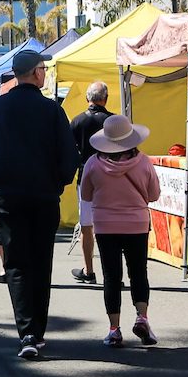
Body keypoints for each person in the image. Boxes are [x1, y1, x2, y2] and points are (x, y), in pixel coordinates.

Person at [0, 48, 79, 360]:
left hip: (7, 195)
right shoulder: (51, 110)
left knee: (17, 263)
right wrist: (57, 183)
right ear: (36, 73)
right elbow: (69, 157)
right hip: (44, 196)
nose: (45, 73)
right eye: (43, 69)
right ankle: (38, 329)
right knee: (40, 262)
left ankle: (27, 332)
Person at [79, 115, 161, 347]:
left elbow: (85, 195)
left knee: (111, 277)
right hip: (136, 224)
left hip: (105, 225)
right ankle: (142, 316)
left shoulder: (93, 163)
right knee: (138, 272)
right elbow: (154, 195)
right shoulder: (143, 162)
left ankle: (114, 329)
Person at [68, 81, 113, 285]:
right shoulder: (113, 121)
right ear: (105, 98)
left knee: (87, 225)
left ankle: (89, 269)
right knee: (111, 226)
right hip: (112, 177)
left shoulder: (77, 122)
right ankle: (111, 273)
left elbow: (69, 151)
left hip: (86, 176)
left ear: (88, 99)